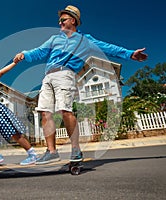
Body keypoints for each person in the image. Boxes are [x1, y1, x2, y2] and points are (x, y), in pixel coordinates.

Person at [13, 5, 148, 165]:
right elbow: (39, 51)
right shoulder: (55, 39)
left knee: (65, 111)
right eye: (59, 20)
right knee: (45, 112)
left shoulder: (86, 40)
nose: (60, 23)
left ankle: (76, 149)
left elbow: (108, 47)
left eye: (63, 20)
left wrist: (129, 53)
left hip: (66, 74)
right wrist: (25, 54)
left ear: (73, 20)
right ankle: (52, 151)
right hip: (48, 76)